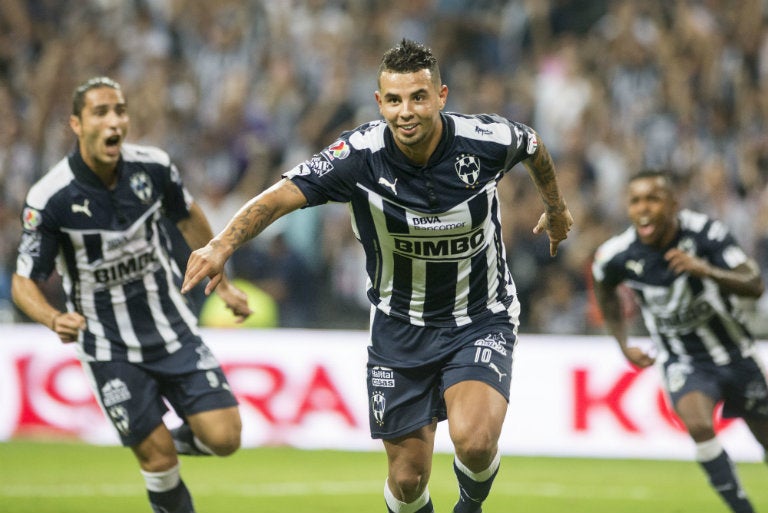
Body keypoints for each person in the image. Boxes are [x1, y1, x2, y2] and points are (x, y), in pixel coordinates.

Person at [182, 39, 573, 513]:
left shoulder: (485, 140)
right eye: (394, 99)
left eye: (418, 97)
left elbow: (533, 146)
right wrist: (221, 244)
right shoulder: (358, 155)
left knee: (474, 442)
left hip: (479, 315)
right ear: (379, 102)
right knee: (407, 480)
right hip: (398, 327)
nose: (406, 111)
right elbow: (279, 196)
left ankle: (468, 508)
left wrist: (555, 209)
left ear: (441, 96)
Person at [11, 76, 253, 513]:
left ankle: (161, 441)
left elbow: (188, 215)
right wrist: (51, 318)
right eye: (100, 112)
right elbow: (23, 280)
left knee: (225, 438)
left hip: (172, 329)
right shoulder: (50, 198)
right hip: (109, 346)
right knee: (158, 459)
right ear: (76, 124)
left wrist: (225, 282)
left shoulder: (153, 167)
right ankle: (157, 450)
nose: (113, 121)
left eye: (119, 110)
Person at [592, 169, 768, 513]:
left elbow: (754, 282)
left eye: (653, 199)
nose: (643, 208)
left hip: (735, 353)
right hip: (683, 360)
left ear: (673, 204)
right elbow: (604, 288)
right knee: (700, 424)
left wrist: (706, 270)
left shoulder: (706, 234)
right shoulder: (618, 254)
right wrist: (622, 342)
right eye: (636, 201)